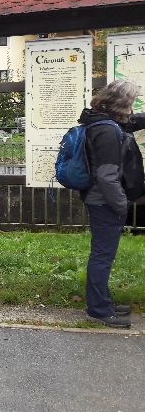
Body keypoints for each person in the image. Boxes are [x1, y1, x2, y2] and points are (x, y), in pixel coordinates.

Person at [79, 80, 143, 329]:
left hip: (101, 200)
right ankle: (98, 310)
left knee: (103, 254)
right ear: (123, 103)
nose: (133, 105)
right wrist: (121, 205)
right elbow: (107, 176)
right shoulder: (107, 131)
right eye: (132, 101)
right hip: (104, 202)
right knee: (102, 256)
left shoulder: (101, 122)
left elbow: (133, 122)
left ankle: (102, 302)